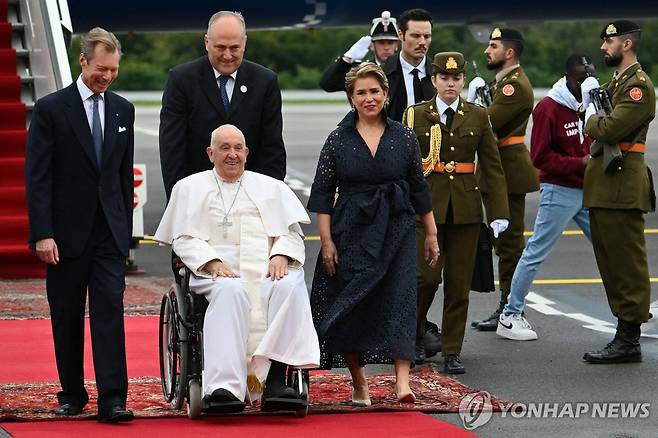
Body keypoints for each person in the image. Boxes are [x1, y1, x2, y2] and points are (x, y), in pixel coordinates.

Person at [154, 124, 320, 411]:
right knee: (230, 291)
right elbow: (183, 237)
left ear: (247, 152)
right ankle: (224, 386)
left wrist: (280, 254)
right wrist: (212, 262)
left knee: (288, 284)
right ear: (210, 153)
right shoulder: (189, 188)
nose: (232, 155)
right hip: (215, 271)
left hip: (267, 266)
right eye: (224, 148)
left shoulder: (271, 188)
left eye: (237, 148)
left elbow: (291, 232)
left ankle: (279, 377)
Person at [308, 63, 438, 405]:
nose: (369, 98)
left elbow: (418, 187)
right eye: (361, 93)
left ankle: (402, 383)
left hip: (397, 228)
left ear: (386, 94)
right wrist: (326, 242)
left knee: (400, 301)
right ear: (351, 98)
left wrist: (431, 233)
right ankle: (360, 384)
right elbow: (323, 193)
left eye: (375, 91)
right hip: (351, 229)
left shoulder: (404, 136)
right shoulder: (338, 139)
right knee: (352, 306)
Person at [25, 28, 134, 423]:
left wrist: (125, 235)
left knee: (110, 311)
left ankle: (113, 398)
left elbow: (122, 176)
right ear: (83, 61)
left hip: (108, 232)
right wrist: (42, 232)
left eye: (114, 70)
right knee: (66, 316)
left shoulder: (123, 109)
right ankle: (71, 392)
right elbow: (38, 177)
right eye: (101, 69)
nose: (106, 77)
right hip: (65, 234)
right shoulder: (52, 108)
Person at [405, 52, 509, 374]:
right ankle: (417, 335)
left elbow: (492, 167)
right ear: (434, 80)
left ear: (462, 81)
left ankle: (452, 350)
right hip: (427, 210)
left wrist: (498, 211)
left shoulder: (477, 116)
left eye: (456, 78)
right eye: (444, 78)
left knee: (458, 284)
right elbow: (406, 165)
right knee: (425, 277)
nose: (450, 84)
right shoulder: (416, 115)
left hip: (465, 210)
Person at [497, 55, 594, 341]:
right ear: (569, 78)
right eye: (582, 78)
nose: (588, 83)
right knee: (535, 252)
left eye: (592, 77)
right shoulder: (548, 108)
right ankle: (510, 313)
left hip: (588, 190)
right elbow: (540, 157)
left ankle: (632, 312)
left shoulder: (590, 104)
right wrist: (579, 164)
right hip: (559, 190)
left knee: (611, 248)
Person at [580, 21, 655, 364]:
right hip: (606, 183)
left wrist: (590, 115)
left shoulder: (638, 86)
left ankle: (629, 338)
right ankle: (623, 331)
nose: (602, 47)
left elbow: (610, 127)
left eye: (608, 41)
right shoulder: (616, 83)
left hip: (622, 184)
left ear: (626, 44)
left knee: (626, 263)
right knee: (610, 263)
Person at [159, 11, 285, 199]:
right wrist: (180, 199)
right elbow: (172, 150)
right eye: (220, 47)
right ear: (206, 42)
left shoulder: (264, 82)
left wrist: (268, 200)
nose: (227, 55)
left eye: (234, 48)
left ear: (244, 43)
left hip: (251, 197)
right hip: (197, 196)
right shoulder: (182, 80)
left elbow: (272, 149)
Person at [467, 28, 540, 332]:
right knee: (502, 244)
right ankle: (506, 305)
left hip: (508, 171)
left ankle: (509, 307)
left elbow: (485, 123)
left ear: (509, 53)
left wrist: (468, 107)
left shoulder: (514, 86)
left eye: (493, 46)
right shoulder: (503, 83)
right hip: (497, 169)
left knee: (509, 245)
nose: (487, 51)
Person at [320, 10, 399, 93]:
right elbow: (327, 85)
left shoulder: (405, 68)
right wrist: (346, 59)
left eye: (390, 42)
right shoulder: (359, 71)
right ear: (371, 45)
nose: (386, 47)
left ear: (396, 45)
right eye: (381, 43)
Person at [382, 8, 435, 122]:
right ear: (401, 35)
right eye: (416, 36)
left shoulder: (440, 74)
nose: (422, 42)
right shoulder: (383, 74)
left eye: (427, 36)